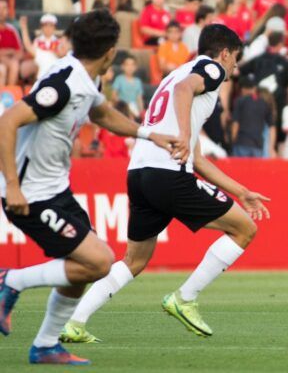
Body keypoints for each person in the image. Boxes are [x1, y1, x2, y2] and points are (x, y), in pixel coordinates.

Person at [59, 24, 271, 343]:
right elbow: (185, 93)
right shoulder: (210, 69)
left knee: (135, 260)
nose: (235, 68)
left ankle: (75, 322)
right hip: (167, 173)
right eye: (235, 59)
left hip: (140, 173)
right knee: (245, 229)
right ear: (224, 53)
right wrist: (185, 134)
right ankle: (184, 299)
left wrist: (241, 191)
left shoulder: (176, 74)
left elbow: (197, 158)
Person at [0, 10, 175, 365]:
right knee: (100, 261)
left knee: (82, 266)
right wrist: (14, 186)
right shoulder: (64, 84)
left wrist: (147, 133)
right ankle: (9, 279)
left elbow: (102, 114)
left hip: (55, 190)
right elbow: (9, 119)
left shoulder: (85, 78)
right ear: (111, 51)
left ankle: (47, 346)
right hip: (29, 193)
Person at [231, 76, 275, 158]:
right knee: (254, 171)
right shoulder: (263, 103)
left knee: (240, 170)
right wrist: (271, 148)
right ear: (254, 89)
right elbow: (272, 127)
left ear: (243, 89)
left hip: (242, 143)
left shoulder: (240, 101)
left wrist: (233, 141)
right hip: (257, 146)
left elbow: (235, 124)